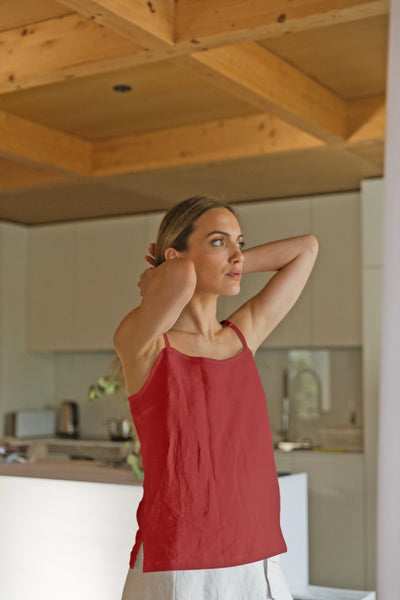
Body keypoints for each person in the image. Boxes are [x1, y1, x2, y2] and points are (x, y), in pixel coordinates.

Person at [113, 195, 319, 600]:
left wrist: (231, 260)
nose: (237, 254)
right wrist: (167, 274)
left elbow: (306, 248)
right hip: (178, 559)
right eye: (219, 241)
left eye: (239, 242)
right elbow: (179, 282)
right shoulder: (145, 343)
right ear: (174, 258)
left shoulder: (243, 335)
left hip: (254, 552)